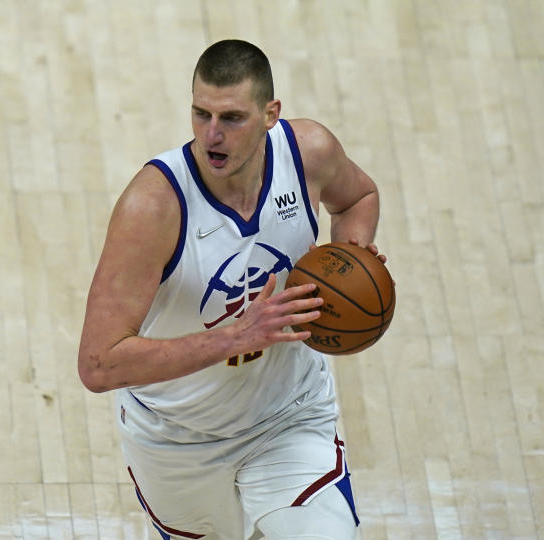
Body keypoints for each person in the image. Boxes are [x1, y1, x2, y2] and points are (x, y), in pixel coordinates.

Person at [78, 39, 384, 540]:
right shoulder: (152, 208)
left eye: (232, 118)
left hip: (288, 412)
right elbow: (97, 363)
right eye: (201, 114)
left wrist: (347, 262)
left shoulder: (308, 153)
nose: (211, 136)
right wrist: (232, 338)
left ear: (270, 114)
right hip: (178, 438)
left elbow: (358, 196)